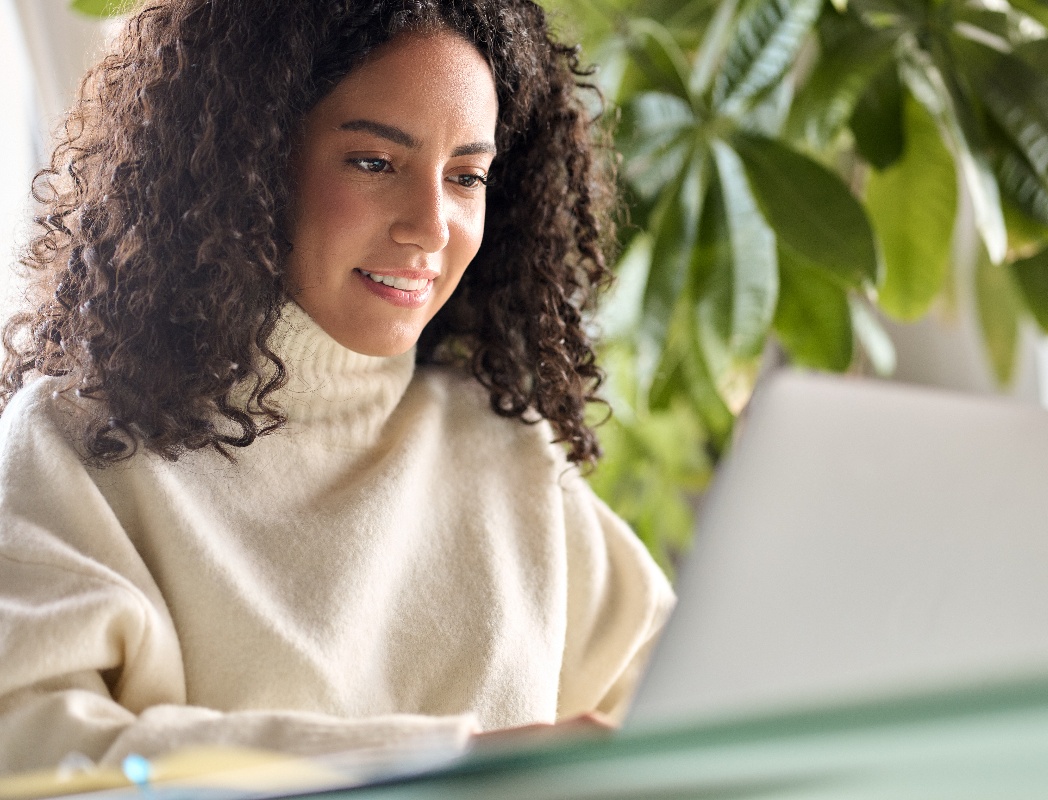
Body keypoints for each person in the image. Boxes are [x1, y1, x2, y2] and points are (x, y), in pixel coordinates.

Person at [0, 0, 673, 775]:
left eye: (465, 176)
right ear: (248, 162)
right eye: (375, 162)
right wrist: (442, 766)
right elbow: (36, 752)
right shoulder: (75, 448)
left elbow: (704, 714)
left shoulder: (509, 456)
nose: (431, 224)